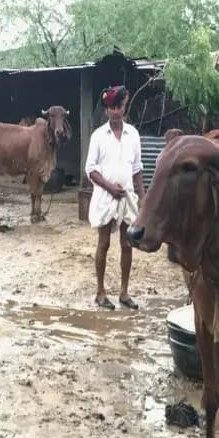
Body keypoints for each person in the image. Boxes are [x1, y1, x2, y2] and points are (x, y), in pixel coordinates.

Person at [84, 85, 145, 310]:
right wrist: (110, 187)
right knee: (104, 243)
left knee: (127, 244)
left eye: (120, 107)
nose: (116, 111)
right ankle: (100, 292)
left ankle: (124, 292)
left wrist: (143, 196)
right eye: (112, 107)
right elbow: (90, 169)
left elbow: (137, 169)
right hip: (106, 197)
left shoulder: (133, 134)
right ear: (107, 109)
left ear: (124, 107)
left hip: (127, 197)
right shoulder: (99, 136)